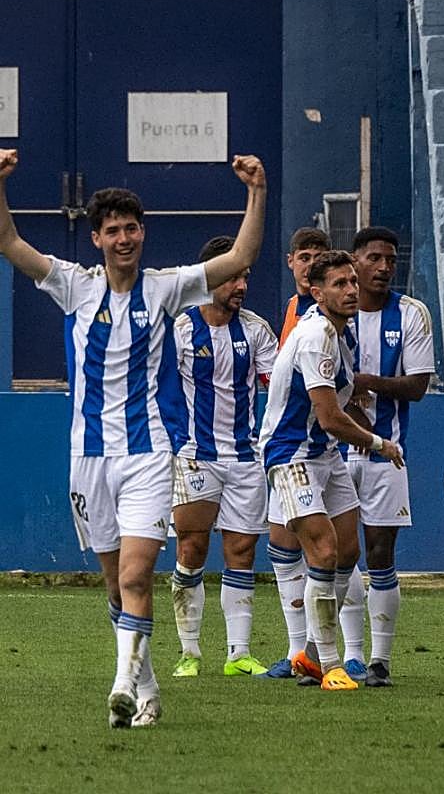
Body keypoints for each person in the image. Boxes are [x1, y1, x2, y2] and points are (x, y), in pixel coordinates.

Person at [0, 147, 266, 727]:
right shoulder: (74, 286)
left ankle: (121, 681)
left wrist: (256, 191)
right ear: (95, 238)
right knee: (116, 590)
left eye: (132, 229)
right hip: (89, 459)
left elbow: (242, 255)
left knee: (137, 575)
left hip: (149, 455)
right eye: (113, 231)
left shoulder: (166, 288)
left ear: (143, 233)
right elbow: (11, 245)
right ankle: (146, 690)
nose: (125, 239)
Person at [259, 250, 404, 691]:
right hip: (291, 454)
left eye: (352, 283)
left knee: (347, 553)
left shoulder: (345, 335)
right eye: (339, 284)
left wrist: (367, 437)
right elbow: (327, 415)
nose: (350, 291)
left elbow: (339, 410)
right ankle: (328, 662)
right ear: (316, 293)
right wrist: (380, 444)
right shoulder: (317, 334)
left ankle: (308, 653)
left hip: (325, 453)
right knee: (321, 552)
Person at [169, 236, 278, 680]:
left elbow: (278, 387)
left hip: (245, 457)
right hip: (195, 455)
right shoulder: (179, 329)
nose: (241, 286)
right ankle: (189, 652)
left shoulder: (255, 331)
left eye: (245, 276)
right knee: (191, 548)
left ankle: (238, 654)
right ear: (209, 278)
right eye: (233, 276)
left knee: (242, 549)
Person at [340, 226, 434, 688]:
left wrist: (367, 382)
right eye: (374, 258)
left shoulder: (411, 313)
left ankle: (379, 660)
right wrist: (347, 395)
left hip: (387, 454)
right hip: (333, 453)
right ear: (354, 262)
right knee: (338, 553)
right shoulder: (335, 312)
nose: (383, 267)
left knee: (381, 554)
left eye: (390, 260)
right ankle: (347, 654)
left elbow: (417, 386)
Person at [262, 226, 333, 678]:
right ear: (290, 262)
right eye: (303, 256)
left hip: (324, 445)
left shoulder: (336, 310)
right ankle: (298, 651)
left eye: (318, 255)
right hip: (290, 443)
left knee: (333, 552)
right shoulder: (291, 311)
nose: (310, 263)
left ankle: (345, 654)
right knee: (282, 546)